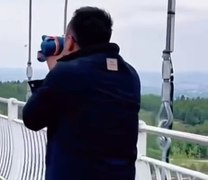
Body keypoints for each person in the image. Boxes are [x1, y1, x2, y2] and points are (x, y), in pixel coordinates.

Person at [22, 6, 141, 180]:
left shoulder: (66, 74)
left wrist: (57, 66)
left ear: (69, 42)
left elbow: (31, 118)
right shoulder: (130, 75)